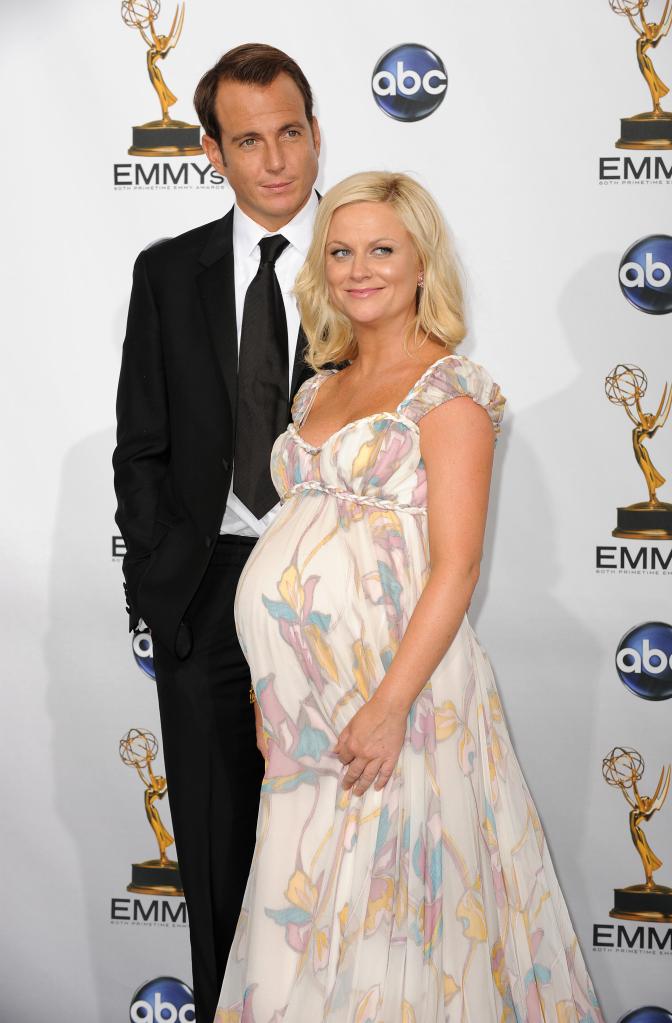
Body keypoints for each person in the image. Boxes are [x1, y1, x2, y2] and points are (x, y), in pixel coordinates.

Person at [214, 172, 604, 1022]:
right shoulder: (318, 387)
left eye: (381, 249)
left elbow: (456, 568)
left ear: (422, 262)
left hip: (403, 700)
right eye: (341, 251)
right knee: (304, 910)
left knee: (401, 923)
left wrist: (390, 705)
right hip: (301, 715)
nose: (359, 269)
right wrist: (265, 686)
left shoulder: (451, 391)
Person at [112, 44, 321, 1023]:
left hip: (334, 604)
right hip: (207, 597)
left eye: (290, 133)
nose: (275, 160)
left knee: (332, 864)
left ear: (315, 133)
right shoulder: (166, 273)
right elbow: (141, 447)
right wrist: (162, 590)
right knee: (217, 863)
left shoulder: (366, 263)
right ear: (211, 151)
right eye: (249, 141)